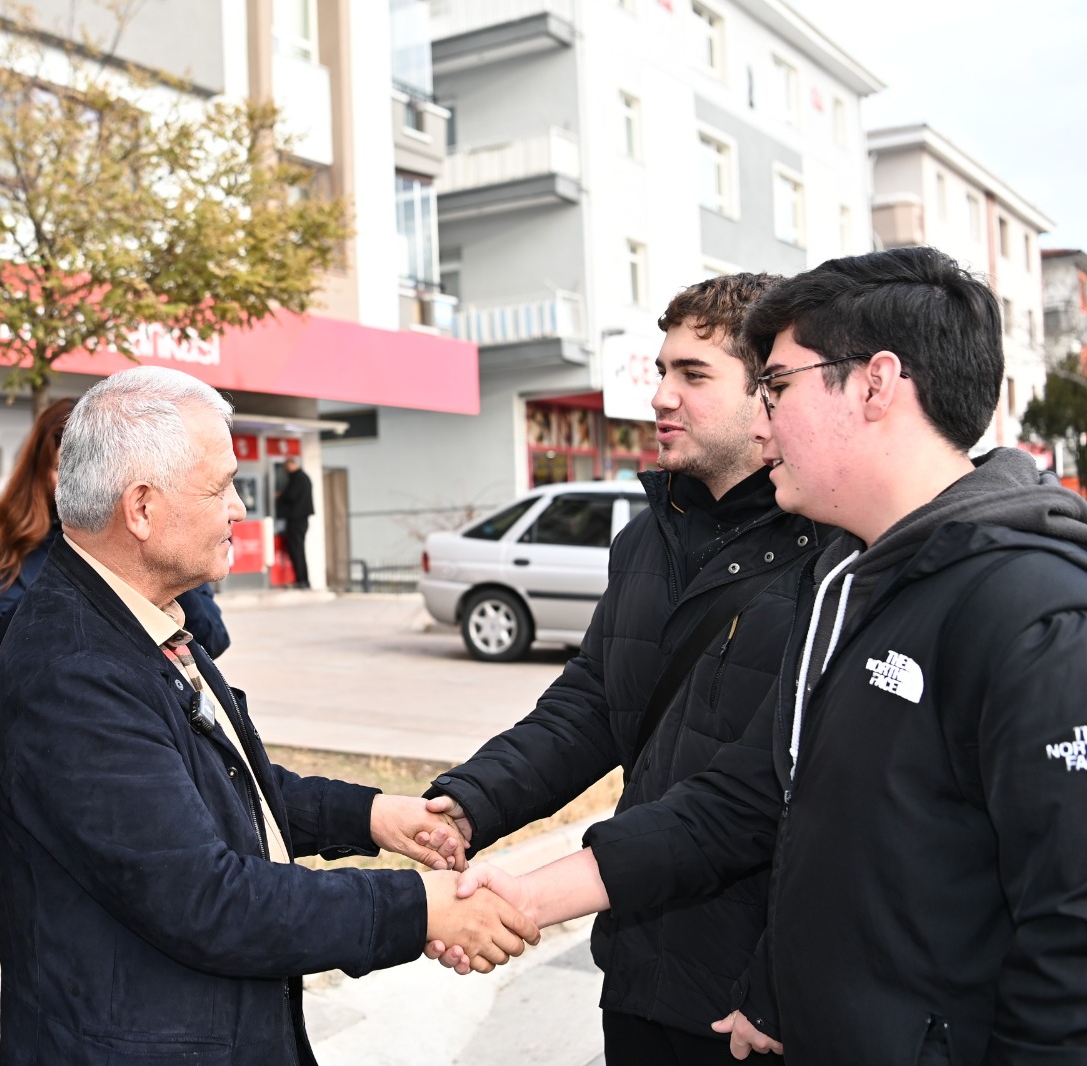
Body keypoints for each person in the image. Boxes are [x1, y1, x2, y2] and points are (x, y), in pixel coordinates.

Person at [443, 248, 1087, 1064]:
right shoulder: (849, 584)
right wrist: (528, 893)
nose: (763, 419)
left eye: (777, 386)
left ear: (874, 385)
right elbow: (748, 803)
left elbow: (1069, 946)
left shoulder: (1032, 606)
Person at [0, 366, 539, 1065]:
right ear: (142, 509)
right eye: (220, 488)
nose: (239, 508)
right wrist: (423, 908)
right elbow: (205, 899)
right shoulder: (74, 676)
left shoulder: (136, 620)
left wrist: (370, 817)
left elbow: (220, 788)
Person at [420, 273, 822, 1064]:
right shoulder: (647, 539)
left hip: (762, 1000)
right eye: (661, 372)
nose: (661, 397)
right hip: (641, 969)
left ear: (768, 394)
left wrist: (537, 892)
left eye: (694, 375)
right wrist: (465, 806)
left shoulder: (834, 553)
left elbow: (770, 797)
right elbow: (594, 705)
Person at [0, 397, 228, 662]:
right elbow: (0, 644)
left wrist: (165, 559)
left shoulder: (148, 535)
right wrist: (84, 562)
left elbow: (212, 639)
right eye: (64, 468)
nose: (79, 480)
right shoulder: (3, 539)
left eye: (92, 469)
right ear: (38, 471)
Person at [276, 453, 314, 588]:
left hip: (296, 520)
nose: (286, 470)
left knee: (296, 550)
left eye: (286, 466)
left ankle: (302, 580)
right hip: (301, 520)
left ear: (292, 464)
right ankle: (303, 580)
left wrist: (280, 495)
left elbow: (291, 496)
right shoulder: (304, 478)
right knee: (300, 550)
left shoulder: (297, 479)